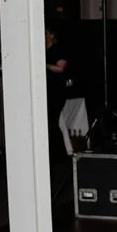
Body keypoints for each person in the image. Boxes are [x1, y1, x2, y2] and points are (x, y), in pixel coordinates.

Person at [44, 25, 69, 163]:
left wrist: (45, 65)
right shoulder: (42, 50)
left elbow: (60, 68)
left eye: (45, 33)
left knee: (52, 122)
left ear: (52, 35)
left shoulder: (57, 49)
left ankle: (60, 155)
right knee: (49, 122)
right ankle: (54, 153)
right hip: (46, 90)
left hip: (56, 91)